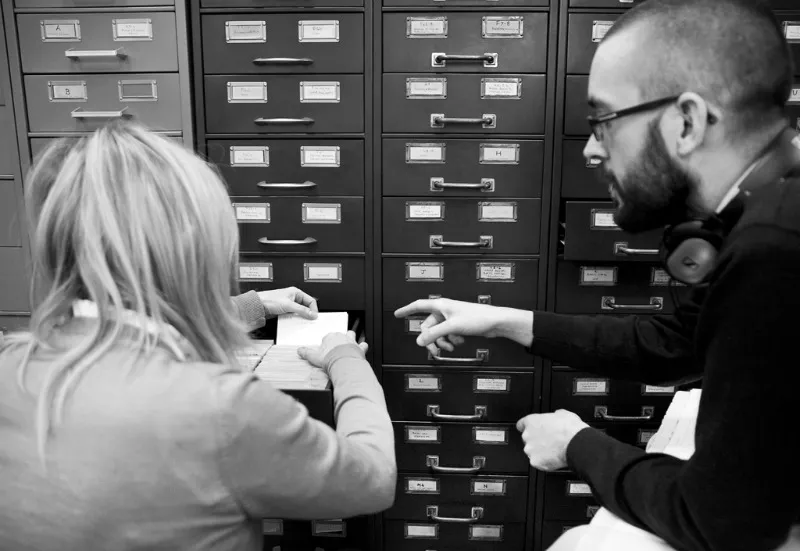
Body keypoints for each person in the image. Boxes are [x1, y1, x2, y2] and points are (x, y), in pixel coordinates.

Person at [395, 0, 800, 550]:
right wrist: (502, 320)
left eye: (604, 122)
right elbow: (676, 341)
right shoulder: (766, 212)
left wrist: (578, 444)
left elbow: (719, 521)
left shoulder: (774, 248)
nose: (590, 149)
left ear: (687, 122)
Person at [0, 122, 396, 550]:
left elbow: (136, 320)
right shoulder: (224, 407)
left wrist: (252, 306)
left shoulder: (9, 366)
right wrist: (345, 359)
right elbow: (373, 479)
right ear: (192, 249)